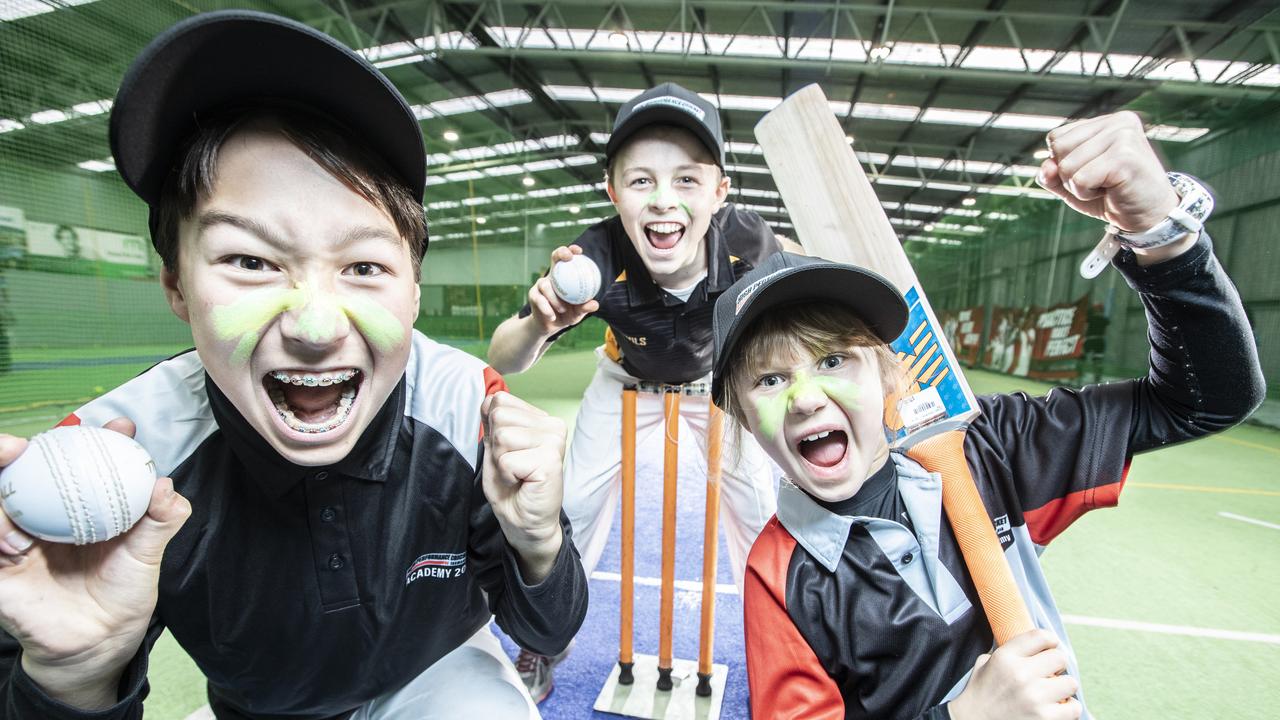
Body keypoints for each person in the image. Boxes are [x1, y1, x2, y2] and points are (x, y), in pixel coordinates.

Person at [0, 11, 586, 720]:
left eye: (364, 265)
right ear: (177, 287)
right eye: (250, 261)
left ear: (414, 293)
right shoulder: (113, 454)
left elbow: (548, 631)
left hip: (440, 674)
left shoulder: (467, 407)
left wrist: (539, 541)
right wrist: (75, 682)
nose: (315, 326)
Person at [708, 111, 1264, 719]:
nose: (807, 398)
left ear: (891, 373)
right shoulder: (780, 573)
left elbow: (1208, 397)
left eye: (835, 359)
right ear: (739, 413)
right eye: (770, 379)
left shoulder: (992, 449)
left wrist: (1161, 233)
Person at [487, 83, 789, 699]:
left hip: (716, 385)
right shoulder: (593, 258)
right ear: (612, 191)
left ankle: (786, 655)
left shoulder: (749, 243)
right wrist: (540, 322)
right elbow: (503, 358)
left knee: (764, 516)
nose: (662, 201)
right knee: (566, 508)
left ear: (719, 192)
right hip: (624, 379)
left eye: (686, 180)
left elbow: (783, 334)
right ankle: (543, 641)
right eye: (641, 181)